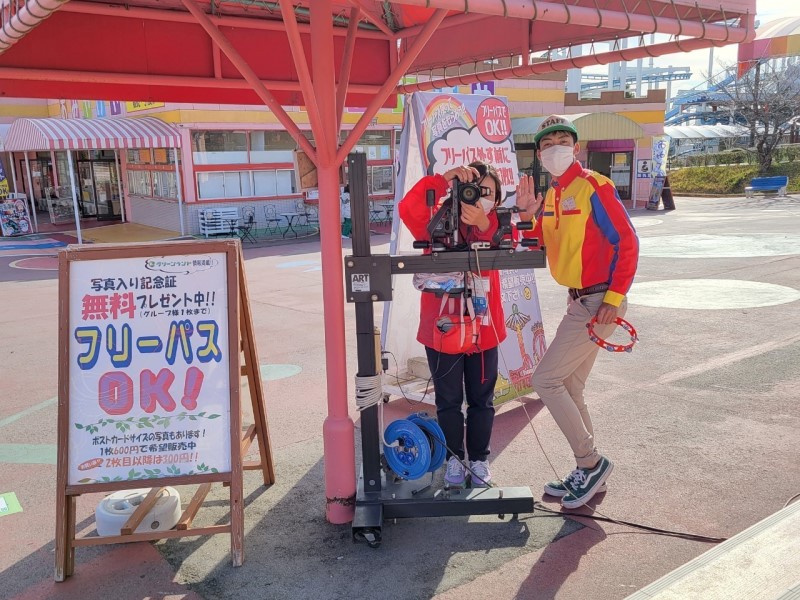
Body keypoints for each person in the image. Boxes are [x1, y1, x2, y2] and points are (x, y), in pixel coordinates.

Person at [516, 115, 639, 509]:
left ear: (576, 147)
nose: (555, 148)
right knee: (569, 386)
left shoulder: (593, 186)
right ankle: (588, 469)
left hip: (598, 301)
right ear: (539, 154)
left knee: (545, 379)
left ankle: (590, 462)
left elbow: (627, 242)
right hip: (579, 299)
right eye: (547, 143)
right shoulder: (553, 194)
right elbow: (541, 244)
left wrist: (614, 299)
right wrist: (526, 218)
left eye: (562, 140)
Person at [399, 161, 508, 488]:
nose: (478, 197)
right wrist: (443, 179)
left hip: (484, 331)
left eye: (486, 192)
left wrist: (484, 223)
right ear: (457, 192)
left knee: (481, 400)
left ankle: (479, 459)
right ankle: (454, 460)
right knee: (447, 401)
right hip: (442, 330)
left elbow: (510, 241)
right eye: (471, 190)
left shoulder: (500, 223)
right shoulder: (437, 221)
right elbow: (408, 208)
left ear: (497, 200)